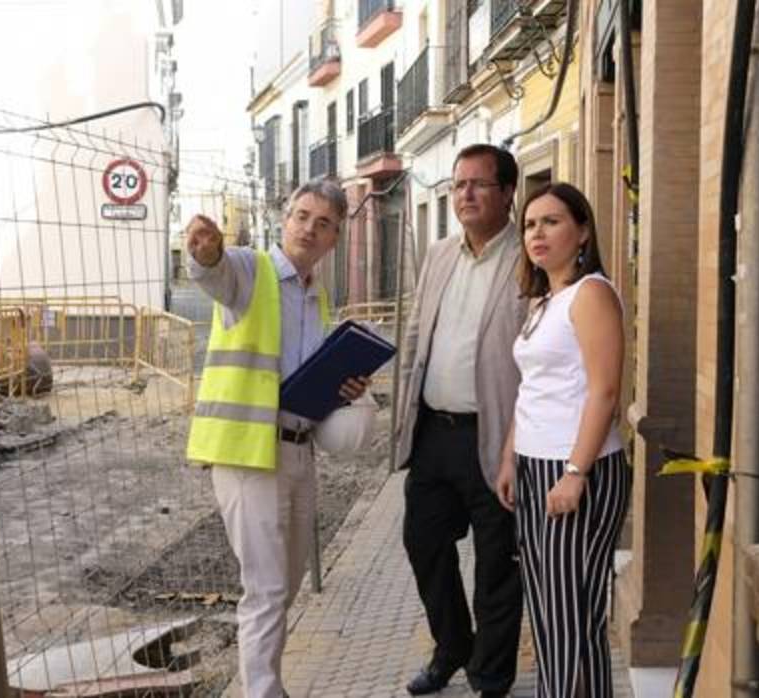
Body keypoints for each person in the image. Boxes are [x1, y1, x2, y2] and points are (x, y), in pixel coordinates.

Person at [185, 179, 370, 698]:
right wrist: (206, 253)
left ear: (335, 237)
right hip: (249, 453)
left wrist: (345, 386)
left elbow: (305, 375)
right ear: (284, 219)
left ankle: (268, 685)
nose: (309, 228)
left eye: (323, 222)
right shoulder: (250, 269)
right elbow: (215, 274)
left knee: (285, 585)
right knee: (265, 590)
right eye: (301, 216)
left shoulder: (318, 295)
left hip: (297, 451)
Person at [395, 144, 528, 697]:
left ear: (506, 193)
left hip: (496, 438)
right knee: (422, 541)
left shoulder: (530, 256)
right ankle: (452, 645)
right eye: (458, 185)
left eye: (478, 184)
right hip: (434, 433)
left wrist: (519, 449)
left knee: (497, 565)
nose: (465, 195)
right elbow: (416, 336)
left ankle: (491, 676)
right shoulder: (440, 255)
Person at [495, 182, 630, 698]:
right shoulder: (544, 302)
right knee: (552, 617)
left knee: (573, 616)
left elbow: (605, 390)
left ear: (583, 231)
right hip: (535, 466)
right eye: (530, 224)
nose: (537, 233)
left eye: (551, 221)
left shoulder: (591, 293)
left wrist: (576, 474)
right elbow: (532, 389)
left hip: (577, 469)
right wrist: (510, 458)